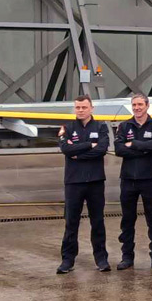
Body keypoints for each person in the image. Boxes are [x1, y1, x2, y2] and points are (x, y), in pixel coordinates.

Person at [56, 95, 111, 274]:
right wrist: (89, 145)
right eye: (78, 107)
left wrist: (78, 153)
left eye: (84, 107)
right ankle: (67, 260)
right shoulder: (67, 127)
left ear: (91, 108)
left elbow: (101, 150)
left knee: (98, 221)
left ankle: (101, 259)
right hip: (74, 182)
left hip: (95, 182)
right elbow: (66, 149)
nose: (80, 110)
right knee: (71, 222)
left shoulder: (101, 127)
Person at [112, 93, 152, 270]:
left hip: (149, 178)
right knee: (127, 219)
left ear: (147, 105)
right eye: (134, 105)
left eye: (140, 104)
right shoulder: (124, 125)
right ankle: (127, 256)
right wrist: (142, 148)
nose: (137, 108)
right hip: (128, 180)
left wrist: (132, 144)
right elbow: (119, 150)